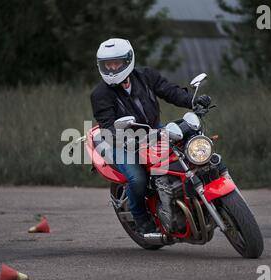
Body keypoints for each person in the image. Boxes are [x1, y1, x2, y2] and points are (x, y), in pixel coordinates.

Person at [90, 38, 211, 234]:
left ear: (128, 61)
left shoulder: (146, 76)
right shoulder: (100, 94)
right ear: (100, 66)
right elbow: (107, 125)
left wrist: (193, 101)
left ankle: (191, 200)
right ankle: (139, 216)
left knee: (187, 156)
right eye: (107, 65)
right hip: (122, 142)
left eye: (116, 63)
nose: (112, 69)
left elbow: (170, 91)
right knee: (137, 179)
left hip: (154, 130)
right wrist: (122, 138)